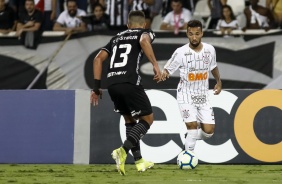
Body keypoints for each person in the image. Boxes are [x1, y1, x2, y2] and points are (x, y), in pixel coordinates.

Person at [90, 10, 162, 175]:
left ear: (127, 25)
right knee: (148, 118)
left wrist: (96, 87)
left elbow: (97, 59)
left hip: (112, 84)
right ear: (144, 24)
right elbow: (144, 40)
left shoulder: (115, 38)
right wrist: (155, 65)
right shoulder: (145, 32)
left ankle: (139, 161)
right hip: (129, 81)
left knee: (129, 119)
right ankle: (122, 151)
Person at [161, 20, 222, 154]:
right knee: (192, 127)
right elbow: (167, 69)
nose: (194, 37)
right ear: (187, 34)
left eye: (197, 34)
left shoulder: (210, 49)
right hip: (185, 94)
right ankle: (188, 155)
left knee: (209, 132)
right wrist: (164, 74)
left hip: (203, 95)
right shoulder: (180, 52)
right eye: (190, 34)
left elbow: (213, 67)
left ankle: (190, 137)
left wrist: (218, 81)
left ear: (202, 34)